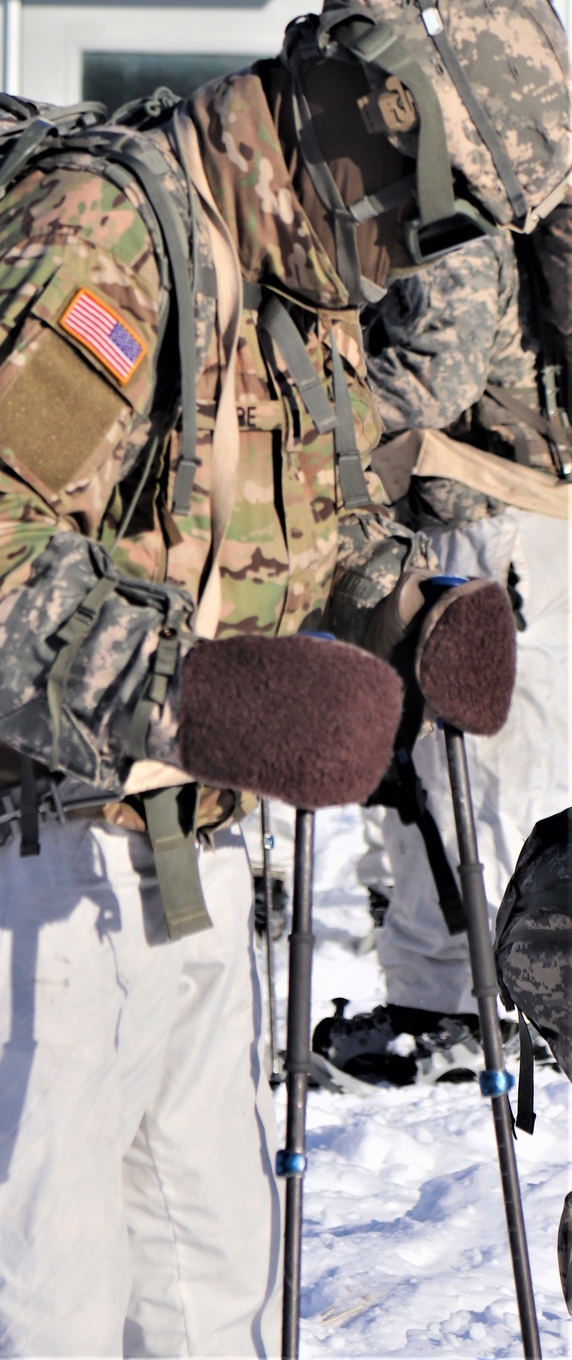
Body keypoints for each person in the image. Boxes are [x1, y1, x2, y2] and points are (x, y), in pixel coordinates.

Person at [0, 0, 569, 1356]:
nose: (440, 252)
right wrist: (187, 692)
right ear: (378, 113)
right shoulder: (108, 234)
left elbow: (284, 526)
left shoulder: (290, 287)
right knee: (28, 1310)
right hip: (15, 850)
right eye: (448, 210)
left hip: (185, 863)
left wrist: (397, 618)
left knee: (204, 1304)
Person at [315, 200, 572, 1086]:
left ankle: (497, 1008)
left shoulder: (458, 215)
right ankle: (444, 1002)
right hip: (490, 511)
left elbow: (432, 375)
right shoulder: (470, 197)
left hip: (487, 514)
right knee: (436, 770)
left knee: (482, 768)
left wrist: (307, 407)